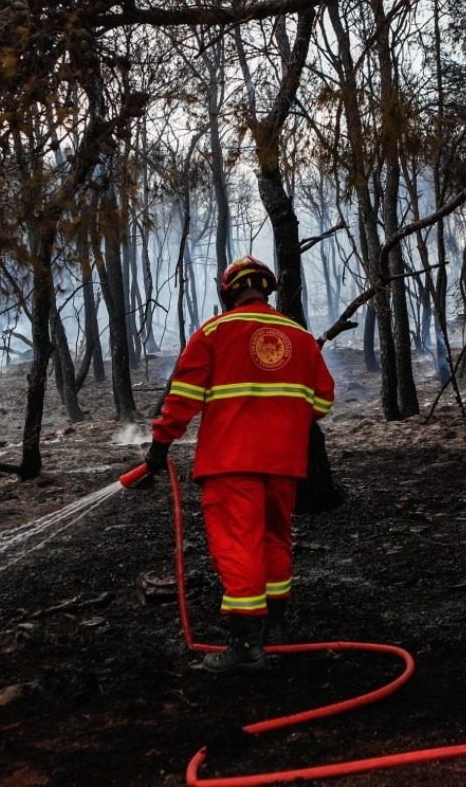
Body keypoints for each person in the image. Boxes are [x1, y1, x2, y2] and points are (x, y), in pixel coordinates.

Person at [140, 256, 335, 674]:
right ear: (266, 289)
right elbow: (322, 400)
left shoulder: (214, 332)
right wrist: (282, 420)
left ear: (227, 292)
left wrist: (159, 447)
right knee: (274, 538)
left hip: (230, 461)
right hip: (284, 463)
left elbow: (182, 398)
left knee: (237, 544)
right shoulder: (300, 336)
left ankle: (246, 646)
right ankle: (274, 630)